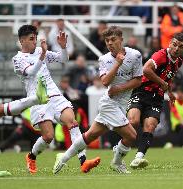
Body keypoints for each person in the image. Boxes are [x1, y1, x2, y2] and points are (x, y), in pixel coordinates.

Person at [53, 26, 143, 174]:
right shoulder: (104, 59)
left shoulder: (135, 55)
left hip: (121, 103)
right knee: (131, 135)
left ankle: (63, 157)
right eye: (107, 40)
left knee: (89, 135)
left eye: (113, 39)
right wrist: (118, 64)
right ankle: (117, 162)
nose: (110, 43)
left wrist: (120, 88)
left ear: (121, 39)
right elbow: (106, 82)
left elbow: (138, 80)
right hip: (109, 103)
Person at [12, 25, 99, 174]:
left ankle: (83, 161)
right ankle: (31, 156)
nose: (35, 42)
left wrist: (63, 47)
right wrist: (43, 55)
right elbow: (31, 73)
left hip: (55, 95)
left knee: (72, 122)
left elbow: (63, 59)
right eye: (31, 39)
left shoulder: (40, 51)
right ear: (22, 41)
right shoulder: (18, 59)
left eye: (35, 38)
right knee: (48, 137)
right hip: (38, 100)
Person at [127, 32, 183, 169]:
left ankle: (138, 158)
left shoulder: (178, 62)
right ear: (170, 43)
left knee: (150, 126)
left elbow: (168, 78)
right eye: (174, 44)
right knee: (134, 121)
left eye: (181, 46)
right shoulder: (161, 55)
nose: (176, 48)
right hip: (142, 91)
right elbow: (146, 69)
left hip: (157, 96)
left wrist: (170, 92)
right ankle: (119, 150)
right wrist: (162, 83)